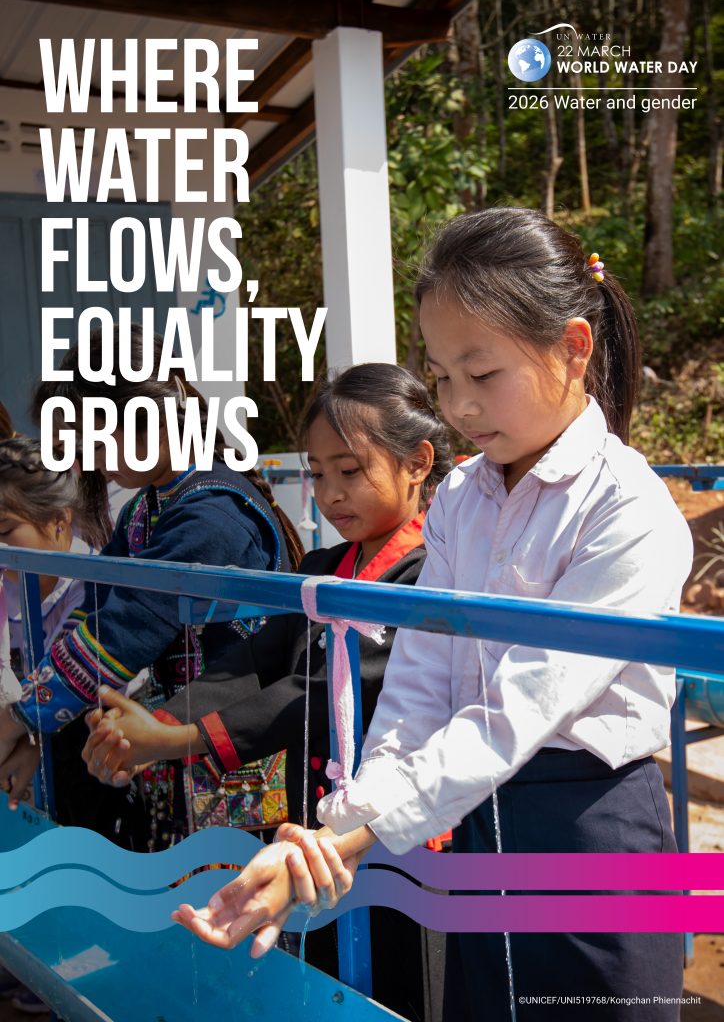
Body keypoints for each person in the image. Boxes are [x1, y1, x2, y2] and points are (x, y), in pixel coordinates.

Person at [172, 209, 694, 1021]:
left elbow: (515, 709)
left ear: (574, 347)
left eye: (482, 375)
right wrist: (339, 826)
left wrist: (347, 839)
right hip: (476, 825)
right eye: (443, 377)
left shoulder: (628, 512)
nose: (458, 406)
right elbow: (420, 679)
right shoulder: (461, 496)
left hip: (586, 831)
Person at [81, 362, 453, 1021]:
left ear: (417, 462)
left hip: (398, 831)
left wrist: (181, 738)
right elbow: (252, 664)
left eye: (350, 470)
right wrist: (157, 718)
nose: (330, 493)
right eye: (317, 473)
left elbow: (317, 688)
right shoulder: (321, 567)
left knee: (402, 983)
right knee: (332, 972)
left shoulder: (429, 572)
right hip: (318, 822)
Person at [0, 325, 303, 849]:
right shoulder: (147, 507)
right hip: (176, 751)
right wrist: (34, 724)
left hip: (235, 760)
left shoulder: (210, 514)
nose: (90, 460)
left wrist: (21, 716)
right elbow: (95, 612)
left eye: (92, 437)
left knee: (237, 913)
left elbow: (124, 630)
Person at [0, 429, 110, 1015]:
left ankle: (79, 966)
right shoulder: (8, 585)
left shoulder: (96, 590)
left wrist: (33, 742)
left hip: (83, 767)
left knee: (80, 869)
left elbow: (91, 683)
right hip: (24, 751)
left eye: (5, 536)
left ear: (60, 524)